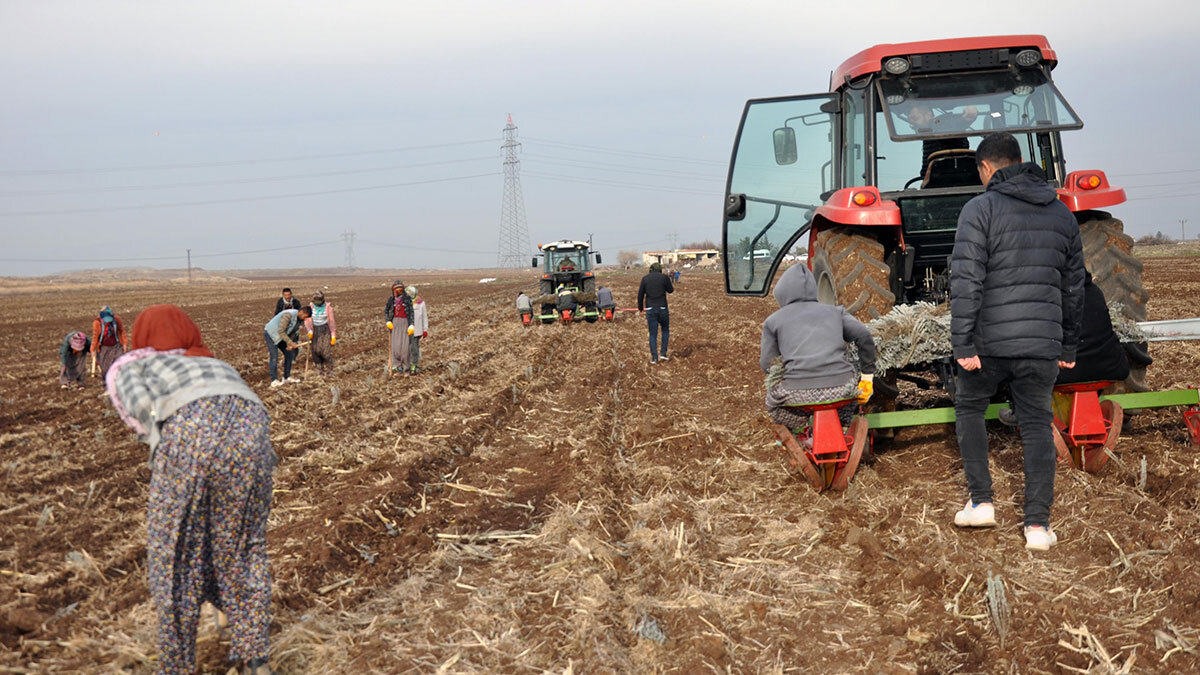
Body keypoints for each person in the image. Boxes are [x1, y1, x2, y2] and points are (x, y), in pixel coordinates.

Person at [105, 304, 275, 675]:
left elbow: (139, 411)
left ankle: (178, 665)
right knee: (243, 549)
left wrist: (164, 440)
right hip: (253, 435)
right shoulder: (216, 363)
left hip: (189, 433)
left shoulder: (136, 363)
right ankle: (255, 659)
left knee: (175, 557)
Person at [949, 132, 1084, 552]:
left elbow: (966, 281)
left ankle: (982, 502)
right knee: (1036, 425)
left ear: (987, 169)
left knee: (970, 408)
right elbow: (1074, 287)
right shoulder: (1061, 214)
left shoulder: (980, 209)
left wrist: (962, 345)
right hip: (1041, 345)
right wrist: (1068, 347)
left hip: (988, 345)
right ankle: (1038, 528)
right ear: (1020, 160)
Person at [760, 264, 876, 430]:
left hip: (797, 394)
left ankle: (801, 429)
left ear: (782, 293)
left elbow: (767, 364)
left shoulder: (773, 321)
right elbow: (864, 335)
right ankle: (842, 426)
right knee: (848, 402)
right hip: (842, 390)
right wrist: (867, 376)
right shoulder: (836, 312)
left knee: (773, 404)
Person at [905, 102, 979, 177]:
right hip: (935, 182)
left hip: (954, 179)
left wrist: (966, 117)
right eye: (911, 120)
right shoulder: (928, 134)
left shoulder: (938, 123)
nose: (912, 123)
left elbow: (952, 123)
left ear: (929, 115)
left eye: (915, 118)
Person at [264, 305, 311, 387]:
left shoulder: (300, 320)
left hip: (282, 336)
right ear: (301, 312)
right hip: (271, 334)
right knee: (274, 356)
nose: (304, 319)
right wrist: (290, 342)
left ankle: (286, 377)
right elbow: (281, 331)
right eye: (305, 316)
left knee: (289, 354)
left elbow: (293, 332)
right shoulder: (288, 315)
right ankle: (274, 380)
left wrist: (290, 344)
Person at [637, 262, 675, 364]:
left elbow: (640, 295)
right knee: (665, 330)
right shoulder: (664, 278)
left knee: (653, 334)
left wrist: (640, 308)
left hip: (650, 309)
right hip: (663, 308)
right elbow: (671, 290)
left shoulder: (645, 279)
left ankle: (654, 358)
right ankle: (663, 353)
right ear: (660, 270)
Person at [304, 291, 337, 377]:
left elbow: (331, 322)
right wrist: (309, 331)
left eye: (319, 300)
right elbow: (307, 320)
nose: (317, 302)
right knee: (316, 351)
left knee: (325, 351)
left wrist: (333, 335)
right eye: (315, 300)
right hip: (314, 330)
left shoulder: (328, 308)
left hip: (325, 330)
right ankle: (320, 372)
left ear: (323, 299)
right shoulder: (310, 307)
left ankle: (330, 371)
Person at [91, 306, 128, 381]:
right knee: (105, 368)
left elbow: (122, 331)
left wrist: (124, 344)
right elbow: (95, 336)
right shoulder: (97, 323)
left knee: (119, 363)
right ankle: (107, 385)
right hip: (104, 347)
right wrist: (92, 349)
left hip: (116, 345)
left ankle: (119, 382)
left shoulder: (116, 320)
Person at [385, 280, 414, 374]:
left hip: (405, 323)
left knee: (405, 348)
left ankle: (407, 368)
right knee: (396, 347)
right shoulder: (391, 300)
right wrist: (388, 321)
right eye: (397, 290)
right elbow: (386, 311)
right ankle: (397, 368)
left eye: (400, 289)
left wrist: (411, 325)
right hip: (395, 324)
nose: (398, 291)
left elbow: (411, 312)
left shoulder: (407, 299)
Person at [407, 285, 429, 374]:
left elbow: (424, 317)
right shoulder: (404, 303)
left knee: (414, 349)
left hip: (417, 330)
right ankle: (406, 365)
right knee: (405, 348)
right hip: (406, 330)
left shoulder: (421, 303)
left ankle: (414, 365)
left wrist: (425, 329)